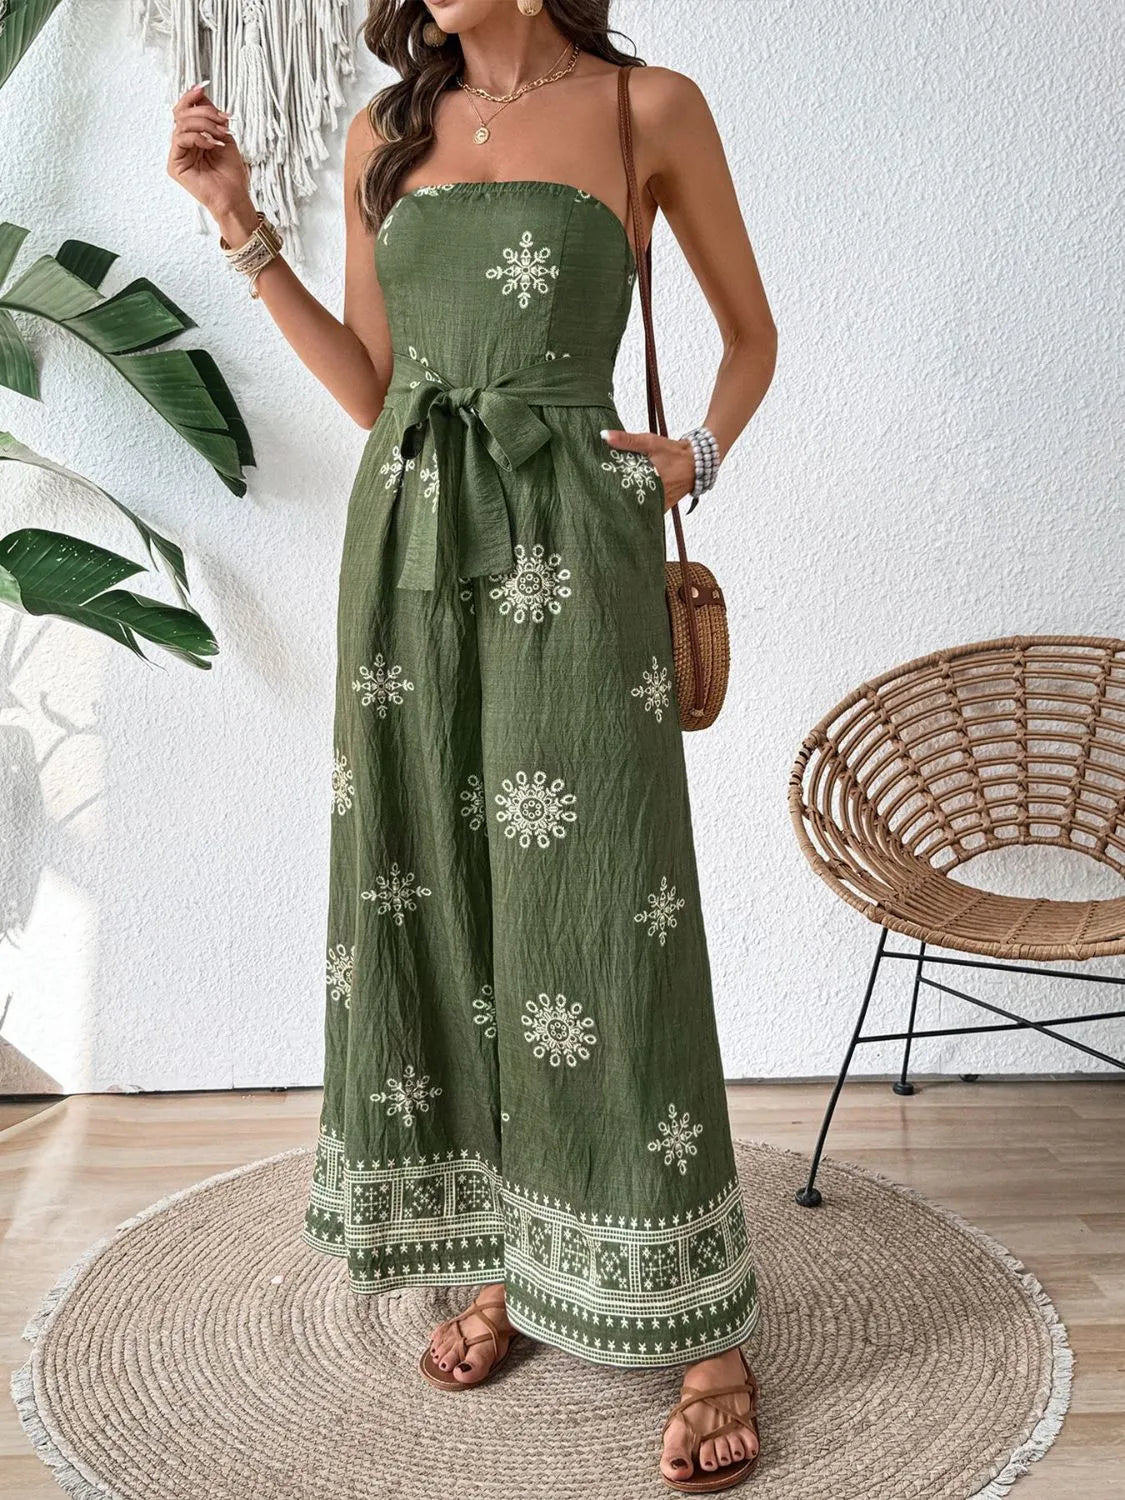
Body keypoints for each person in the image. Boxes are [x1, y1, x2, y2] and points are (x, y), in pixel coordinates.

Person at [166, 0, 776, 1489]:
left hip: (576, 537)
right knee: (435, 893)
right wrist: (241, 226)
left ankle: (699, 1318)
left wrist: (695, 456)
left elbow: (751, 336)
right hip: (408, 544)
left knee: (609, 909)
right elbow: (377, 388)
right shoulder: (386, 130)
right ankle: (514, 1252)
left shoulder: (648, 108)